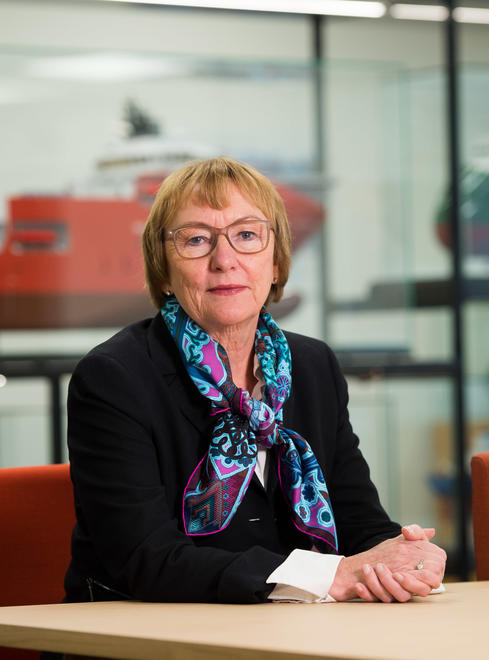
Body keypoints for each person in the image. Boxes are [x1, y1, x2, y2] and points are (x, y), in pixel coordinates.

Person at [64, 156, 446, 604]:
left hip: (292, 634)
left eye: (246, 235)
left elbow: (359, 523)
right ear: (164, 270)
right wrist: (330, 575)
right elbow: (146, 559)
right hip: (147, 638)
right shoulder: (115, 377)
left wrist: (403, 556)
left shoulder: (313, 365)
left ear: (277, 262)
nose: (224, 260)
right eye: (196, 240)